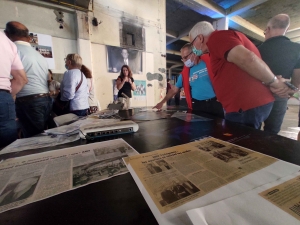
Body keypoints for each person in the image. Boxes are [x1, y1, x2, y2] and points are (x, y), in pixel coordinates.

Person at [189, 21, 296, 129]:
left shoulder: (216, 38)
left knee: (240, 142)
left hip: (244, 107)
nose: (193, 48)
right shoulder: (221, 41)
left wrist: (275, 82)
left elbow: (248, 59)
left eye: (192, 44)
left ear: (200, 38)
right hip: (247, 106)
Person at [5, 21, 52, 138]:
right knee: (41, 135)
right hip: (45, 100)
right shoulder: (39, 55)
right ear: (28, 37)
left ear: (7, 34)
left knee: (34, 140)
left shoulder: (13, 51)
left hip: (28, 102)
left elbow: (17, 80)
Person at [153, 43, 224, 118]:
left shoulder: (209, 63)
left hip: (215, 103)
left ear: (194, 53)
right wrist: (162, 102)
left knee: (219, 128)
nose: (184, 61)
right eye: (182, 58)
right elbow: (174, 90)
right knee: (198, 129)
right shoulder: (185, 73)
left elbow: (223, 79)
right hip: (197, 106)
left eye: (186, 57)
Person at [258, 14, 300, 134]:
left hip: (259, 94)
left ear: (268, 28)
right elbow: (297, 84)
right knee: (272, 132)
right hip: (281, 95)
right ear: (287, 29)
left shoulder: (257, 49)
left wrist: (270, 83)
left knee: (253, 129)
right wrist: (287, 88)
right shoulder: (297, 49)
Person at [0, 32, 27, 148]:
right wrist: (8, 98)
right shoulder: (6, 41)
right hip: (3, 96)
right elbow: (21, 79)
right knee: (8, 148)